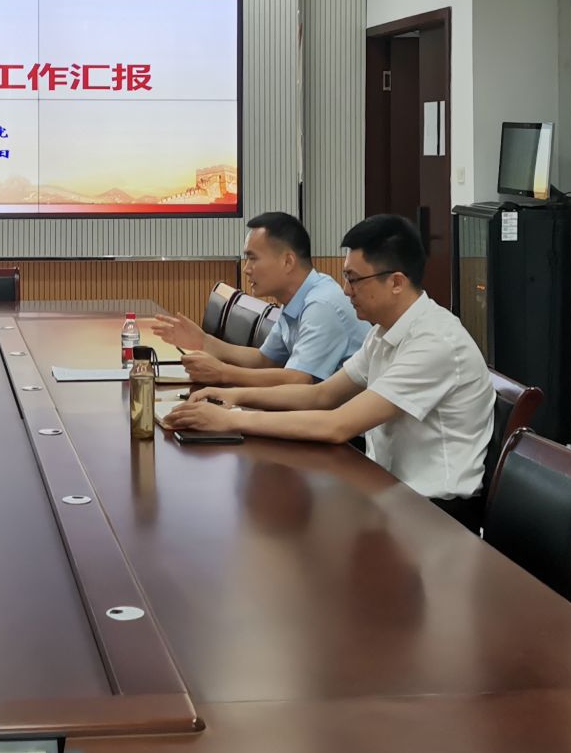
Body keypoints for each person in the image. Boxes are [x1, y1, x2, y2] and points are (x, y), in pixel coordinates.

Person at [163, 214, 493, 523]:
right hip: (386, 487)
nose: (346, 290)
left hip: (434, 513)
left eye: (354, 279)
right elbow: (321, 395)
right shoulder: (382, 332)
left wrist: (231, 419)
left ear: (396, 282)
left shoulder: (435, 342)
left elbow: (338, 425)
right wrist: (232, 396)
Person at [149, 211, 365, 389]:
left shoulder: (321, 305)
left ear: (288, 261)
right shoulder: (296, 299)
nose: (246, 269)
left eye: (253, 258)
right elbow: (265, 360)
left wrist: (223, 373)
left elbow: (299, 380)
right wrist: (204, 341)